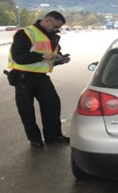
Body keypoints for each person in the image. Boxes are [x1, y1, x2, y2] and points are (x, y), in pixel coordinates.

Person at [7, 11, 71, 148]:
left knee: (52, 104)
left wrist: (60, 59)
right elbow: (19, 56)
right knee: (27, 110)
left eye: (58, 28)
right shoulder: (25, 33)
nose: (56, 29)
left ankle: (53, 136)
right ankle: (34, 139)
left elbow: (50, 57)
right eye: (55, 26)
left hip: (41, 77)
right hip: (23, 77)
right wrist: (41, 57)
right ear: (47, 21)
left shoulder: (52, 36)